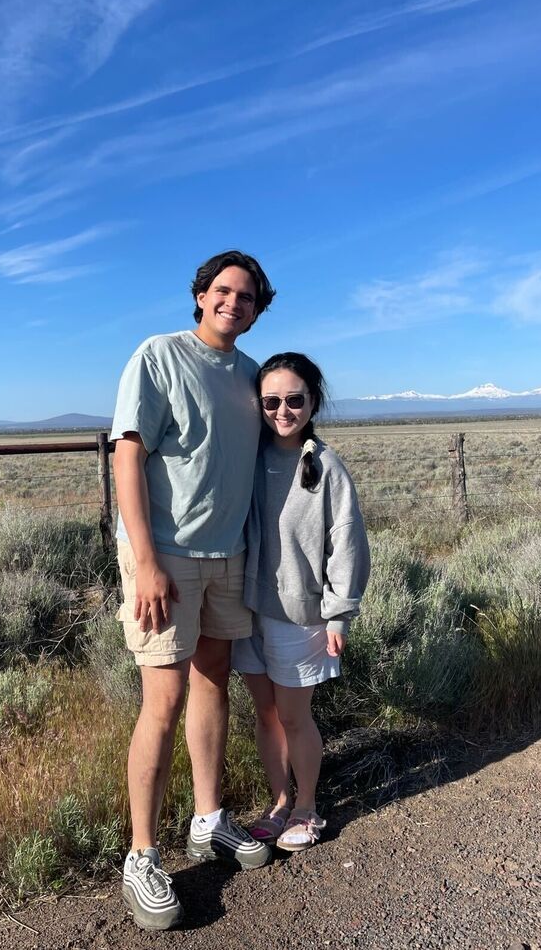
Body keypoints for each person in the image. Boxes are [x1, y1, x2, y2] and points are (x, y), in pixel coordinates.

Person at [111, 250, 276, 931]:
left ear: (258, 308)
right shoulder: (158, 355)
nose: (233, 303)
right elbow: (127, 453)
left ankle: (209, 821)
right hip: (167, 558)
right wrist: (145, 560)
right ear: (201, 295)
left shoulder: (250, 375)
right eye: (223, 291)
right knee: (164, 697)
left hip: (227, 555)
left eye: (247, 296)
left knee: (213, 682)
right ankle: (141, 856)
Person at [231, 352, 370, 852]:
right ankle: (279, 801)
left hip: (300, 614)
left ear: (313, 401)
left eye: (294, 400)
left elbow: (347, 542)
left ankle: (307, 805)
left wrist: (339, 612)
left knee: (293, 716)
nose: (282, 411)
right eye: (271, 401)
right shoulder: (248, 457)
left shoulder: (325, 466)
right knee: (265, 715)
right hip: (245, 608)